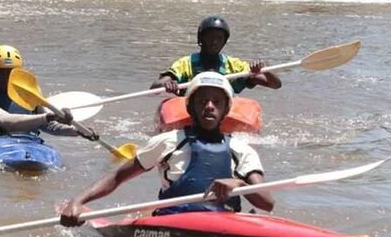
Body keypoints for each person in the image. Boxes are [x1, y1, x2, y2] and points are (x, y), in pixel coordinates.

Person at [59, 72, 275, 226]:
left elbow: (267, 204)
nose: (210, 106)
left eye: (217, 102)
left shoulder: (242, 150)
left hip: (224, 222)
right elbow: (117, 177)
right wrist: (77, 201)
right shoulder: (167, 142)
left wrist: (239, 184)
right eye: (203, 101)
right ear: (191, 106)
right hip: (172, 222)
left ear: (226, 109)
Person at [0, 45, 98, 140]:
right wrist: (50, 116)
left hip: (29, 143)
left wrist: (77, 131)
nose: (6, 78)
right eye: (0, 73)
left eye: (11, 73)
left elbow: (47, 126)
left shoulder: (30, 93)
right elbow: (6, 121)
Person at [151, 15, 282, 95]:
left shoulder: (234, 65)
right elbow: (156, 86)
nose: (214, 42)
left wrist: (265, 70)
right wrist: (168, 83)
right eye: (210, 37)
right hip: (190, 110)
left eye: (219, 38)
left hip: (221, 111)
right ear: (200, 39)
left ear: (224, 41)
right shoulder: (185, 63)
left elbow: (275, 85)